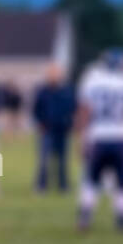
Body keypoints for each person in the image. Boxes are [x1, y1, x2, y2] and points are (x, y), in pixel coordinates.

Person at [76, 49, 123, 232]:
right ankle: (122, 219)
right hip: (122, 139)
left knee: (91, 180)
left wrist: (81, 138)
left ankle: (85, 216)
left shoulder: (93, 82)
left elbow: (84, 113)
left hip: (98, 138)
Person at [32, 63, 77, 192]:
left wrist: (70, 123)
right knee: (43, 159)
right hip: (47, 129)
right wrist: (40, 122)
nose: (54, 76)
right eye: (51, 74)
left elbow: (73, 108)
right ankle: (41, 185)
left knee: (63, 161)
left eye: (56, 74)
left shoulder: (67, 91)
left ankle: (63, 185)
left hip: (63, 130)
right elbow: (35, 109)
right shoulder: (42, 91)